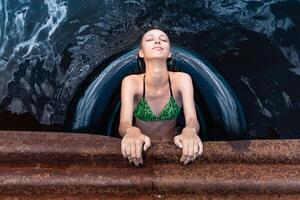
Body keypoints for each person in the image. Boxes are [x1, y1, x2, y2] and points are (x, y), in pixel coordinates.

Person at [118, 28, 203, 167]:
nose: (157, 41)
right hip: (144, 148)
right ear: (141, 52)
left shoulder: (182, 79)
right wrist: (131, 131)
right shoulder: (131, 82)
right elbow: (123, 124)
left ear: (169, 53)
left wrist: (190, 131)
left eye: (163, 39)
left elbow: (192, 119)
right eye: (150, 39)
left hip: (174, 147)